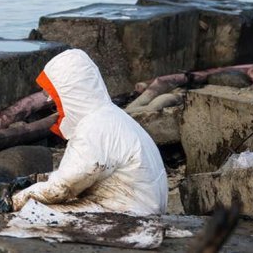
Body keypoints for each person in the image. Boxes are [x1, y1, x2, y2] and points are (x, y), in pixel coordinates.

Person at [11, 49, 167, 216]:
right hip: (145, 204)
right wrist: (38, 179)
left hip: (130, 214)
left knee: (30, 214)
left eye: (56, 97)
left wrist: (17, 199)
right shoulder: (112, 115)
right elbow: (84, 173)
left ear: (70, 94)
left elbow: (63, 187)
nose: (55, 105)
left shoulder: (93, 127)